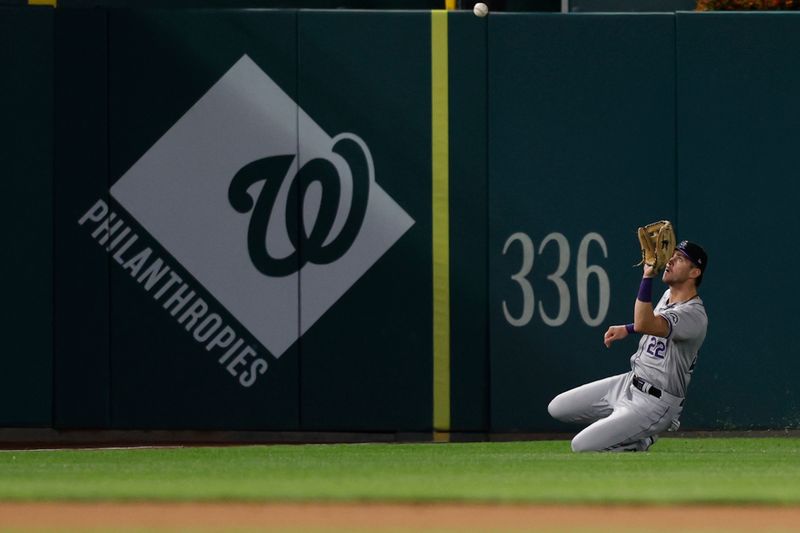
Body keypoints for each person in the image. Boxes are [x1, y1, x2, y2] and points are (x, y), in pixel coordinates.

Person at [547, 240, 708, 452]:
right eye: (673, 255)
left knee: (581, 446)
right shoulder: (668, 295)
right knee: (557, 408)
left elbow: (647, 323)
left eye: (679, 259)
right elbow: (651, 323)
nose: (669, 261)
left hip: (655, 403)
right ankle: (631, 429)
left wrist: (647, 276)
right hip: (629, 383)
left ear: (694, 272)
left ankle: (640, 440)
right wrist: (628, 328)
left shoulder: (694, 315)